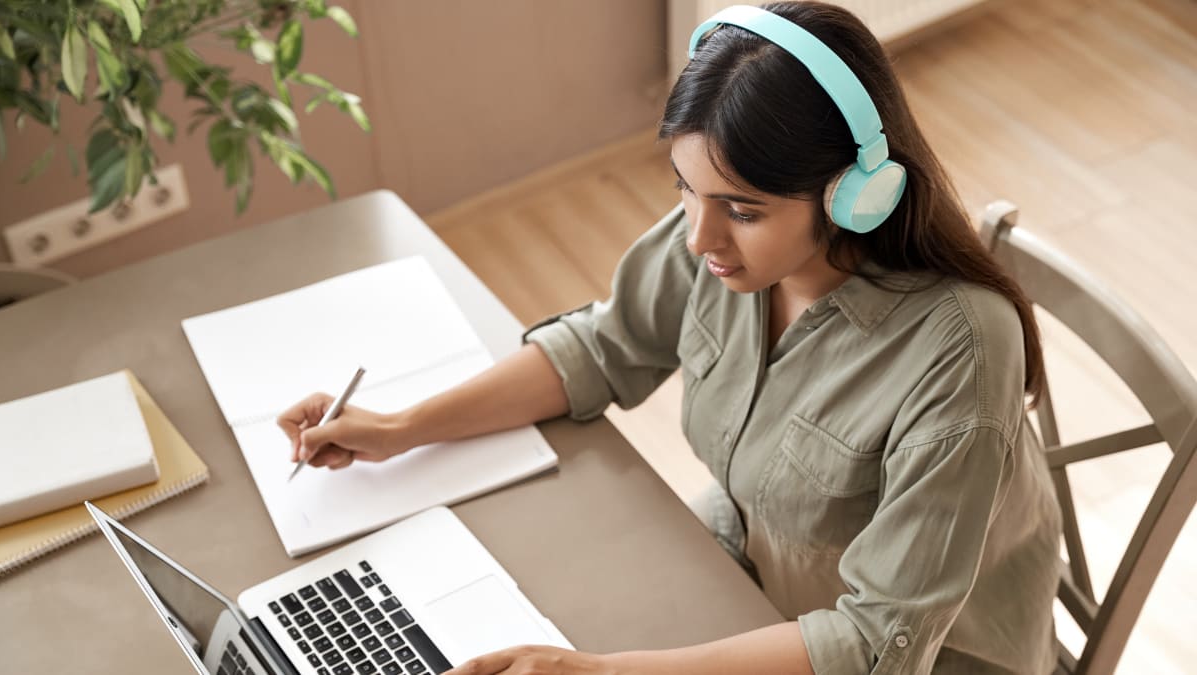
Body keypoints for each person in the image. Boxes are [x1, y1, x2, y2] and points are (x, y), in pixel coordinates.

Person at [277, 2, 1063, 673]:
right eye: (685, 189)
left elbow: (874, 642)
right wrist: (398, 426)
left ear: (855, 196)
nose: (699, 237)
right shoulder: (728, 250)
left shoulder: (959, 351)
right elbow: (601, 348)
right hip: (759, 576)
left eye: (742, 210)